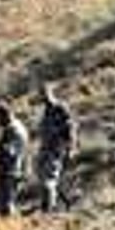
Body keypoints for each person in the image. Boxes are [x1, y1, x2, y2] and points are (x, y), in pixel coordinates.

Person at [36, 85, 77, 213]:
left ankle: (48, 211)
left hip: (57, 149)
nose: (43, 97)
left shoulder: (60, 108)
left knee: (49, 180)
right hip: (46, 150)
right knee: (47, 179)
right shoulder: (45, 111)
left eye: (45, 94)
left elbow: (70, 127)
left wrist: (71, 148)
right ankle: (68, 201)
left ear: (50, 93)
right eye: (41, 95)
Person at [0, 104, 29, 217]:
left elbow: (10, 151)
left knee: (6, 203)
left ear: (5, 115)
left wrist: (2, 151)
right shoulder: (19, 126)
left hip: (10, 171)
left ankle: (8, 228)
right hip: (15, 169)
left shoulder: (12, 130)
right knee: (8, 201)